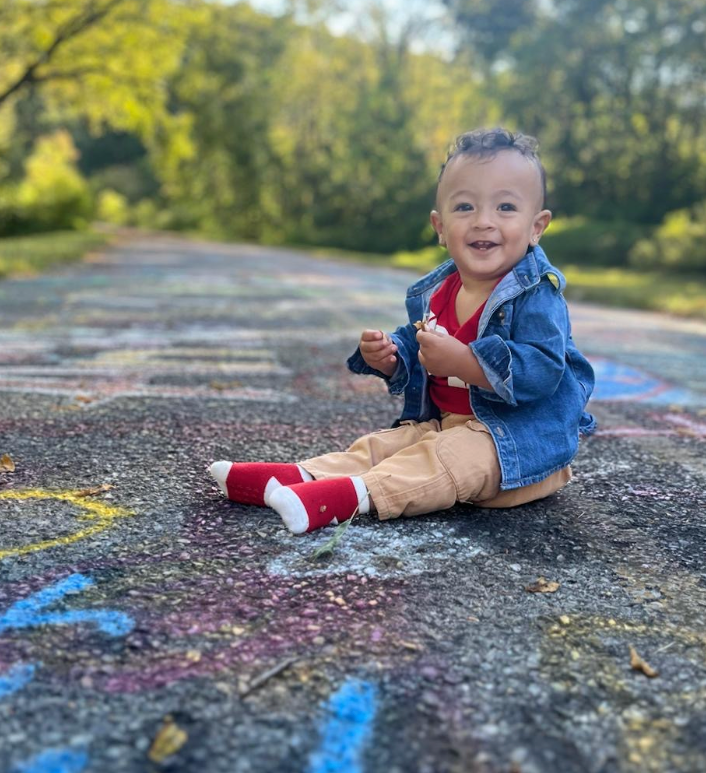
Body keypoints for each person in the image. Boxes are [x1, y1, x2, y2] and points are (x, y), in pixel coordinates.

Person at [208, 127, 597, 534]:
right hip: (448, 424)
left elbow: (544, 370)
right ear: (440, 227)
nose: (483, 222)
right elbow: (416, 346)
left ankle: (351, 496)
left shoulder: (538, 295)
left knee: (450, 456)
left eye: (505, 207)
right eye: (464, 207)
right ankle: (299, 477)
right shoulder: (440, 292)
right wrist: (392, 355)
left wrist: (468, 363)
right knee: (389, 445)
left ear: (537, 227)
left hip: (515, 449)